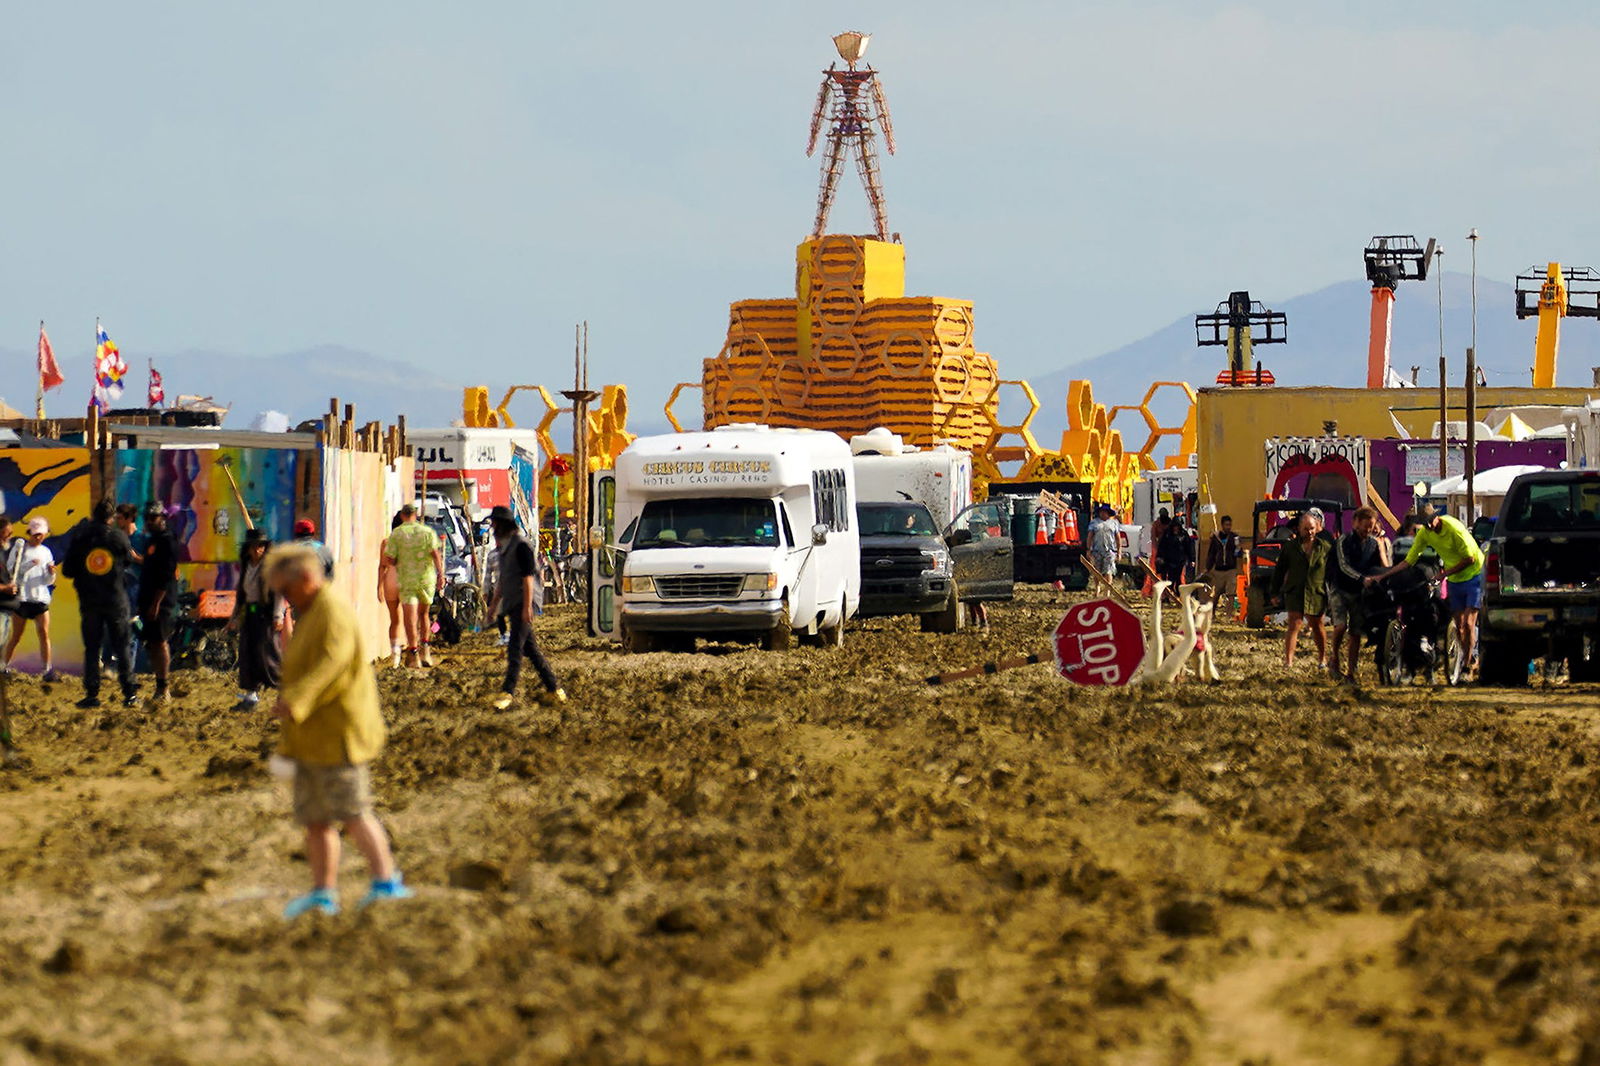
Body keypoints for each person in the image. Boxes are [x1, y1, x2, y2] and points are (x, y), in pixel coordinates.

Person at [266, 544, 411, 918]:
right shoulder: (311, 611)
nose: (285, 598)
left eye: (287, 589)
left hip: (341, 733)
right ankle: (323, 892)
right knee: (315, 818)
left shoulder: (332, 611)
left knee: (354, 811)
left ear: (308, 579)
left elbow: (332, 663)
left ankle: (385, 881)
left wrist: (296, 699)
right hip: (310, 738)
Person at [1366, 505, 1485, 677]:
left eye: (1430, 522)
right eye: (1425, 523)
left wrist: (1443, 574)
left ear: (1437, 517)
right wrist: (1384, 576)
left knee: (1468, 624)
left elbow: (1470, 558)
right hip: (1455, 578)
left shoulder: (1454, 529)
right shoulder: (1424, 534)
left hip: (1474, 574)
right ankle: (1464, 658)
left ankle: (1467, 664)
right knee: (1459, 627)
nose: (1429, 526)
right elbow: (1409, 561)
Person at [486, 506, 565, 710]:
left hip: (523, 602)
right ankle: (555, 689)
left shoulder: (521, 546)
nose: (493, 527)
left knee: (515, 650)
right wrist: (493, 606)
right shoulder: (505, 548)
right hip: (513, 603)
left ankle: (507, 692)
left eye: (495, 523)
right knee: (531, 650)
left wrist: (527, 607)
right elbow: (503, 580)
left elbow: (528, 578)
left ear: (503, 524)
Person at [59, 502, 138, 707]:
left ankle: (92, 694)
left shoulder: (80, 537)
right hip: (115, 599)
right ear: (111, 518)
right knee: (122, 647)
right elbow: (128, 561)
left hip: (90, 600)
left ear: (93, 515)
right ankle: (130, 694)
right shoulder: (119, 537)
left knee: (92, 648)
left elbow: (67, 571)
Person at [1327, 507, 1386, 683]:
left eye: (1371, 527)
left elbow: (1381, 568)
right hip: (1340, 588)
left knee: (1356, 632)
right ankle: (1334, 657)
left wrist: (1382, 552)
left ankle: (1351, 671)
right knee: (1340, 626)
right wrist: (1362, 579)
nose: (1367, 530)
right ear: (1355, 523)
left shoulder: (1374, 544)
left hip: (1359, 593)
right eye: (1365, 526)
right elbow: (1343, 566)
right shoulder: (1343, 541)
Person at [383, 503, 443, 668]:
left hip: (407, 580)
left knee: (410, 618)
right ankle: (426, 649)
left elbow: (391, 559)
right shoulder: (427, 532)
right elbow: (435, 554)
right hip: (426, 579)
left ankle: (414, 653)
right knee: (424, 615)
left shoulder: (397, 534)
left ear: (402, 516)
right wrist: (441, 575)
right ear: (415, 515)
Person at [230, 527, 283, 711]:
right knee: (247, 653)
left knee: (268, 655)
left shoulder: (270, 567)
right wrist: (234, 617)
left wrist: (278, 615)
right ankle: (251, 697)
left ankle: (287, 692)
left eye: (260, 546)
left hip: (266, 616)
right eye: (253, 546)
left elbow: (278, 593)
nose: (256, 550)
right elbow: (241, 594)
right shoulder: (246, 566)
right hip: (250, 614)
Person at [1270, 512, 1331, 671]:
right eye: (1305, 529)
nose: (1309, 532)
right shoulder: (1290, 547)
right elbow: (1280, 570)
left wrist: (1333, 594)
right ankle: (1288, 662)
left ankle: (1322, 658)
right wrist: (1274, 592)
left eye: (1311, 528)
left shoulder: (1325, 548)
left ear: (1317, 528)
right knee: (1294, 625)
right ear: (1299, 529)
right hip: (1295, 591)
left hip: (1316, 592)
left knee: (1317, 626)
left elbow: (1333, 572)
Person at [2, 518, 60, 682]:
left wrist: (51, 572)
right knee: (16, 636)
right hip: (23, 598)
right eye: (36, 535)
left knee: (43, 633)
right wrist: (28, 566)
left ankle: (47, 670)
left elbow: (48, 581)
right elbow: (12, 572)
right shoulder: (20, 549)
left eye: (41, 535)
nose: (38, 538)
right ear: (30, 533)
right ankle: (4, 666)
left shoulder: (46, 551)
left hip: (40, 598)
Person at [138, 503, 182, 704]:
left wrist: (156, 603)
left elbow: (165, 576)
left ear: (162, 518)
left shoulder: (167, 541)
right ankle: (158, 684)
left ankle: (164, 688)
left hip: (161, 601)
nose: (148, 521)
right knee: (152, 642)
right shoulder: (152, 541)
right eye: (147, 517)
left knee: (160, 641)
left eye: (153, 517)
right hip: (148, 597)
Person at [376, 511, 404, 667]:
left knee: (394, 620)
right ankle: (412, 650)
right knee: (410, 618)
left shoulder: (386, 542)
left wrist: (379, 586)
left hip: (390, 581)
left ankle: (395, 656)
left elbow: (382, 567)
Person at [1204, 514, 1241, 606]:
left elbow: (1239, 552)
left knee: (1231, 593)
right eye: (1226, 525)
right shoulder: (1216, 538)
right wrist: (1208, 567)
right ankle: (1212, 613)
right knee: (1217, 593)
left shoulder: (1234, 537)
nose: (1228, 527)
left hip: (1231, 569)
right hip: (1219, 570)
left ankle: (1229, 615)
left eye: (1229, 525)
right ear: (1222, 525)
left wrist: (1239, 549)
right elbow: (1211, 554)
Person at [1088, 504, 1122, 582]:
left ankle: (1108, 590)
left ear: (1108, 513)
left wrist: (1119, 552)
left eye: (1104, 512)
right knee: (1097, 571)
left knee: (1108, 570)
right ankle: (1097, 588)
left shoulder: (1114, 523)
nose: (1103, 513)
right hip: (1097, 550)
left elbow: (1118, 538)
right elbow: (1090, 537)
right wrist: (1089, 549)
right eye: (1101, 512)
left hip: (1110, 550)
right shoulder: (1094, 523)